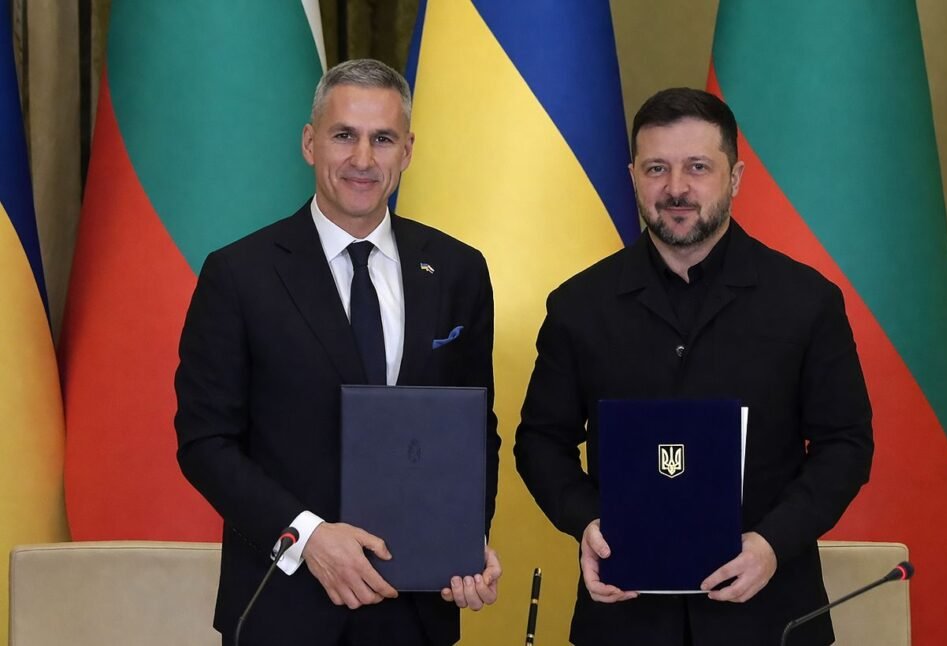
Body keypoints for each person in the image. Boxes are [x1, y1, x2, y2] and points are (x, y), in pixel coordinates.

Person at [514, 88, 873, 646]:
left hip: (770, 618)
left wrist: (773, 543)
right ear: (633, 177)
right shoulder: (578, 306)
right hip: (624, 620)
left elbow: (845, 444)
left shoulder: (806, 302)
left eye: (697, 167)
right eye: (656, 168)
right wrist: (587, 523)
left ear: (735, 177)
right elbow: (540, 441)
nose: (676, 188)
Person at [174, 58, 501, 646]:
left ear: (407, 151)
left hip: (416, 611)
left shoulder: (459, 271)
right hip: (284, 609)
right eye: (344, 135)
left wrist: (466, 538)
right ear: (310, 143)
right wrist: (306, 538)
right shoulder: (239, 275)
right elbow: (205, 443)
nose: (363, 159)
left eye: (383, 139)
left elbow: (476, 430)